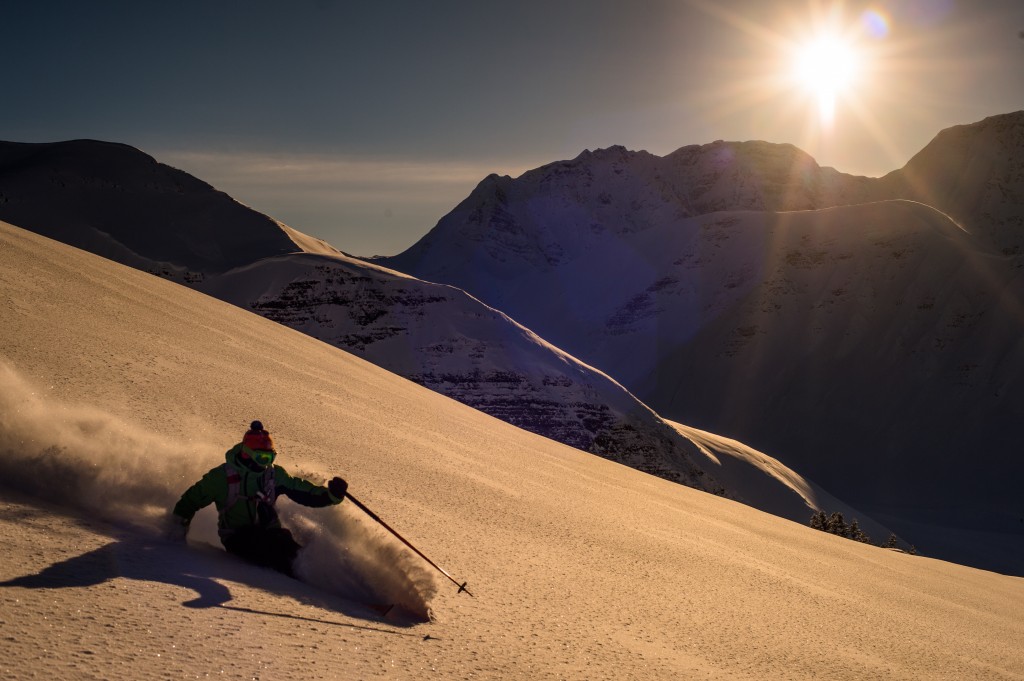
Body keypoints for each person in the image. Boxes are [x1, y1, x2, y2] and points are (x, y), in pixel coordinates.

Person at [169, 420, 348, 577]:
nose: (266, 463)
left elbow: (303, 492)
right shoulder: (222, 478)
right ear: (247, 454)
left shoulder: (273, 475)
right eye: (262, 457)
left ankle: (327, 582)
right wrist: (175, 534)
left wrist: (332, 495)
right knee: (272, 548)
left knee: (289, 546)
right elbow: (190, 501)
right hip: (237, 538)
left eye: (270, 457)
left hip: (271, 534)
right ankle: (297, 580)